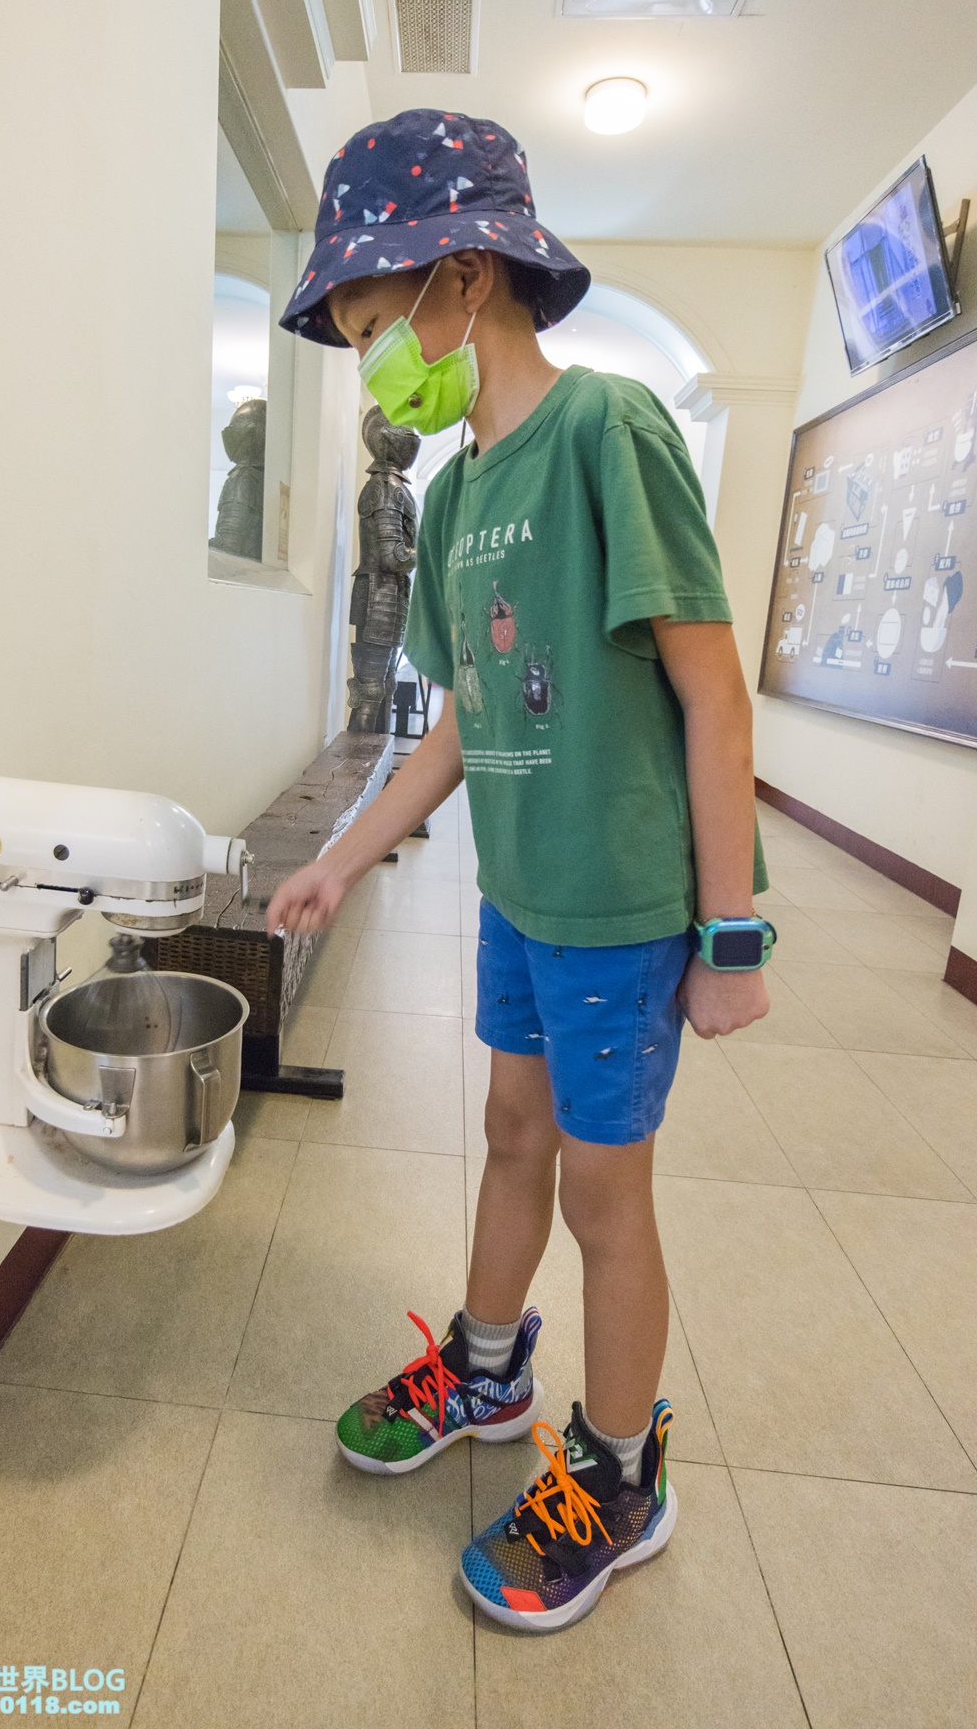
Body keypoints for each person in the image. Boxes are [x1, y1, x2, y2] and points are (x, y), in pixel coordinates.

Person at [268, 109, 773, 1635]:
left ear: (464, 276)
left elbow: (713, 687)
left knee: (608, 1195)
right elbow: (456, 731)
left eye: (373, 321)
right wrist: (346, 862)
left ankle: (621, 1474)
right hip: (518, 895)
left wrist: (733, 930)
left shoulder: (609, 429)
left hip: (622, 908)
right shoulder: (452, 497)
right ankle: (489, 1374)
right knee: (507, 1132)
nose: (371, 361)